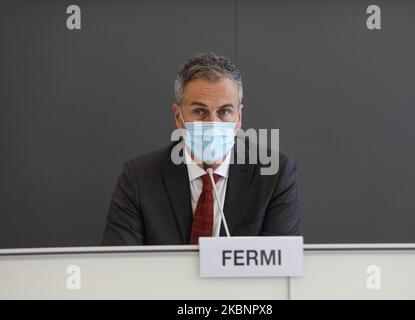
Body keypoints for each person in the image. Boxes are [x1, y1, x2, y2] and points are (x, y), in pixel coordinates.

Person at [101, 52, 300, 245]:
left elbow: (279, 269)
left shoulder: (274, 175)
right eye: (200, 111)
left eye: (224, 111)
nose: (213, 123)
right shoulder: (139, 178)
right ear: (179, 117)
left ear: (239, 117)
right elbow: (119, 268)